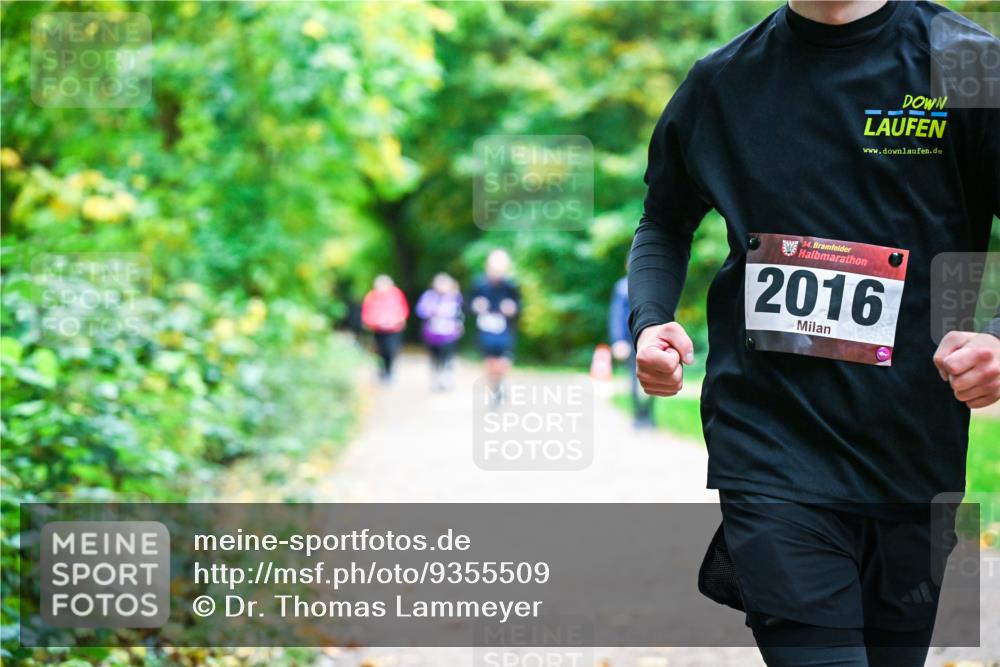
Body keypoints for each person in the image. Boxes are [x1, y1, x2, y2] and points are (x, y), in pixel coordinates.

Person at [628, 1, 999, 665]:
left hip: (912, 455)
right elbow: (663, 219)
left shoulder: (966, 64)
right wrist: (651, 317)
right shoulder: (722, 82)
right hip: (769, 444)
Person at [470, 249, 520, 404]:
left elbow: (519, 306)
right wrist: (476, 306)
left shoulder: (511, 285)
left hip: (505, 329)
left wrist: (512, 308)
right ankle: (495, 389)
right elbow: (468, 304)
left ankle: (500, 382)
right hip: (485, 329)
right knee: (490, 361)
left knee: (504, 361)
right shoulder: (478, 283)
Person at [608, 273, 654, 428]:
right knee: (635, 379)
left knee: (655, 377)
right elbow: (617, 315)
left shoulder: (653, 281)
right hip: (630, 339)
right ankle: (638, 416)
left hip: (652, 338)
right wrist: (619, 340)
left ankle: (649, 414)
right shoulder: (622, 286)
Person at [415, 272, 464, 391]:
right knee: (435, 357)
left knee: (448, 356)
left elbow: (460, 313)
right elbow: (420, 310)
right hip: (432, 333)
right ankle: (436, 377)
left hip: (449, 333)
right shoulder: (428, 296)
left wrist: (459, 325)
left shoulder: (455, 296)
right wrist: (431, 311)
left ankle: (446, 377)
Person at [361, 274, 409, 382]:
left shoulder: (396, 294)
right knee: (379, 350)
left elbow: (402, 309)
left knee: (391, 349)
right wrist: (372, 322)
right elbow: (367, 312)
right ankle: (382, 371)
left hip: (393, 329)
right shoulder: (372, 296)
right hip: (378, 329)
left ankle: (390, 371)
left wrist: (397, 320)